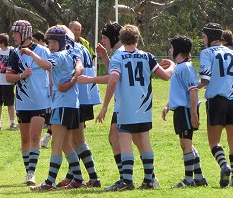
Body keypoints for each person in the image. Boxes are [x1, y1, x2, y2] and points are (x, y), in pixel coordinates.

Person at [77, 22, 159, 191]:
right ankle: (140, 177)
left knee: (128, 138)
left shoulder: (121, 53)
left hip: (127, 103)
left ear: (116, 37)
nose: (102, 40)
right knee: (121, 138)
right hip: (135, 103)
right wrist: (105, 57)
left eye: (105, 37)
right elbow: (117, 74)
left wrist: (90, 80)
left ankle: (132, 178)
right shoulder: (125, 53)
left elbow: (114, 78)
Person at [96, 24, 175, 191]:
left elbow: (113, 79)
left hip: (126, 106)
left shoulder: (119, 57)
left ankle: (126, 180)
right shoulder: (147, 56)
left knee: (125, 142)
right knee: (145, 141)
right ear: (137, 39)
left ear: (121, 39)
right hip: (145, 107)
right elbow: (166, 76)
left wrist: (104, 106)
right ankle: (148, 180)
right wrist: (173, 66)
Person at [21, 25, 85, 190]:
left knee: (57, 144)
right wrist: (72, 80)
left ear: (62, 41)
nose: (51, 45)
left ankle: (49, 183)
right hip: (72, 103)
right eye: (49, 42)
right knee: (65, 144)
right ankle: (78, 178)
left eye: (54, 41)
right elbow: (80, 66)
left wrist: (30, 52)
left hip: (62, 103)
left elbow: (45, 65)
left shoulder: (58, 55)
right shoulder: (72, 52)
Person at [6, 20, 51, 185]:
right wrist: (21, 76)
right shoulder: (14, 54)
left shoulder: (42, 50)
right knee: (25, 139)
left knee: (35, 135)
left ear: (24, 34)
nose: (13, 36)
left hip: (41, 101)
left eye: (15, 33)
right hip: (23, 102)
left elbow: (49, 67)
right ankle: (28, 171)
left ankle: (32, 173)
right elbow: (9, 77)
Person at [55, 25, 101, 188]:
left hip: (76, 97)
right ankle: (74, 176)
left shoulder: (71, 50)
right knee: (71, 140)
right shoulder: (81, 47)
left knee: (74, 140)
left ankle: (91, 178)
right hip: (86, 96)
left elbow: (72, 72)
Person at [199, 23, 233, 187]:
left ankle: (224, 166)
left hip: (217, 100)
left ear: (210, 38)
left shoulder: (206, 53)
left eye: (204, 37)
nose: (202, 40)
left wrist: (193, 86)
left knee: (214, 142)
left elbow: (205, 79)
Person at [161, 35, 207, 187]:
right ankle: (199, 178)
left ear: (179, 50)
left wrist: (193, 113)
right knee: (187, 144)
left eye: (172, 47)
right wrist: (168, 105)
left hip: (186, 110)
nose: (170, 50)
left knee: (185, 144)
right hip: (180, 110)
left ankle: (189, 180)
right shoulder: (180, 67)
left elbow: (193, 91)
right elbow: (179, 91)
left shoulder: (186, 68)